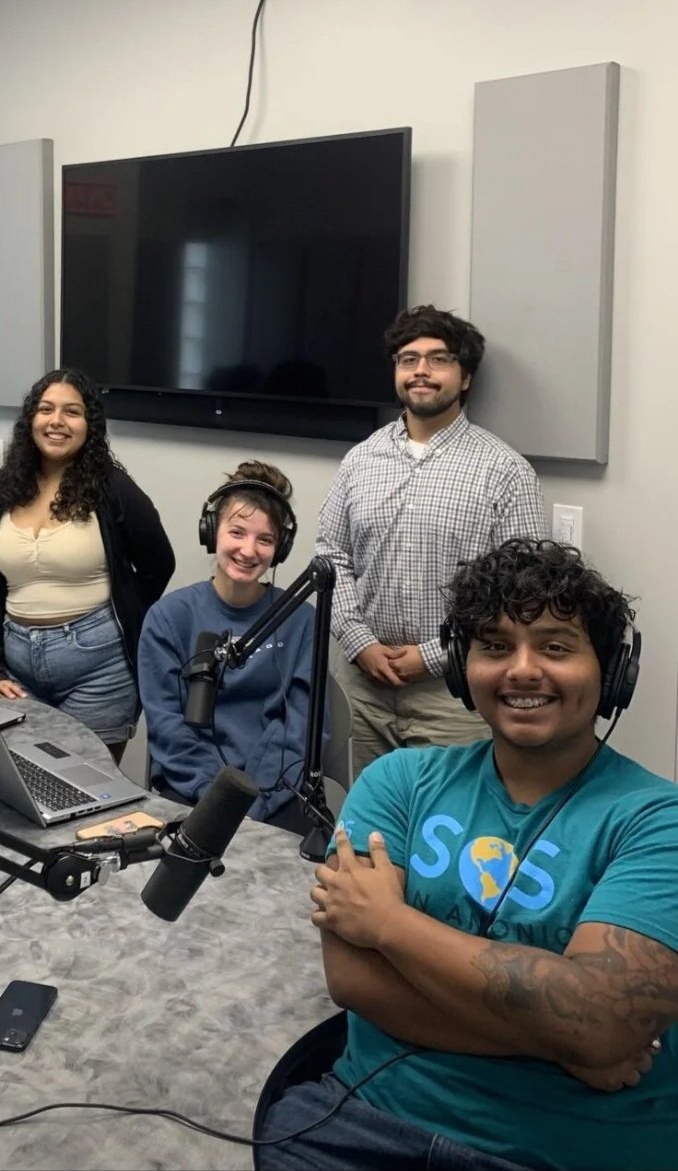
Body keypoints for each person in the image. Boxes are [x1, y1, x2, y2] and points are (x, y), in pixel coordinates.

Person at [258, 538, 678, 1171]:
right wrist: (565, 1043)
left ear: (613, 672)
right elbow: (353, 981)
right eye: (495, 646)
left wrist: (390, 925)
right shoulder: (398, 782)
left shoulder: (657, 821)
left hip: (563, 1149)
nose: (523, 670)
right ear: (461, 667)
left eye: (557, 646)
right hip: (363, 1123)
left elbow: (600, 1018)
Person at [316, 303, 546, 776]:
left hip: (453, 695)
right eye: (408, 359)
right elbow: (330, 554)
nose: (421, 371)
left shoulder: (504, 471)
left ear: (464, 378)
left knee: (448, 829)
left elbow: (522, 591)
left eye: (438, 359)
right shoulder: (361, 460)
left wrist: (434, 655)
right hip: (362, 686)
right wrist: (358, 640)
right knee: (367, 824)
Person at [0, 368, 175, 763]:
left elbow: (158, 564)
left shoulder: (112, 487)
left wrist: (119, 615)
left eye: (72, 412)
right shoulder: (1, 491)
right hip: (15, 670)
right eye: (46, 409)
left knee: (89, 789)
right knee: (22, 781)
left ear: (89, 425)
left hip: (99, 671)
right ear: (31, 419)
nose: (57, 421)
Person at [138, 461, 327, 833]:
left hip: (275, 792)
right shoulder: (168, 618)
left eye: (265, 539)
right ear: (212, 533)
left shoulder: (302, 621)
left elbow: (301, 728)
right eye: (237, 532)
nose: (248, 550)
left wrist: (253, 802)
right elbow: (169, 728)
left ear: (280, 549)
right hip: (191, 787)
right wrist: (220, 799)